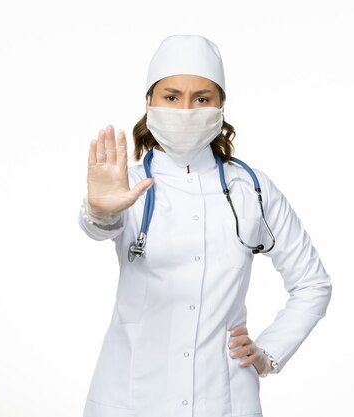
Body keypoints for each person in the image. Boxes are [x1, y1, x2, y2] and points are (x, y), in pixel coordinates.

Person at [78, 34, 332, 417]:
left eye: (201, 99)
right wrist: (100, 211)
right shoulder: (127, 185)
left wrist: (269, 352)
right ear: (149, 103)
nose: (185, 109)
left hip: (225, 396)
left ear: (220, 106)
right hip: (130, 396)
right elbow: (100, 226)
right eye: (171, 96)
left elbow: (313, 283)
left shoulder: (251, 190)